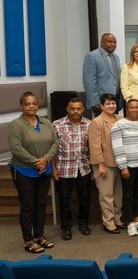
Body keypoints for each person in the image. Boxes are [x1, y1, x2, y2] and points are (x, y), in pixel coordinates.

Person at [8, 92, 58, 253]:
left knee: (41, 204)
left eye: (34, 103)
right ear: (21, 106)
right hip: (24, 171)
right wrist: (36, 162)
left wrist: (45, 160)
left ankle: (39, 236)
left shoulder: (46, 122)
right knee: (28, 206)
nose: (31, 106)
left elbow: (55, 143)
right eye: (27, 104)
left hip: (44, 170)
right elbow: (16, 148)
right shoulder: (16, 125)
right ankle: (28, 240)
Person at [52, 98, 92, 241]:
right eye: (72, 109)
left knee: (85, 199)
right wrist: (53, 168)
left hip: (84, 168)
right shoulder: (56, 125)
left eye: (79, 109)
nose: (76, 111)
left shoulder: (89, 124)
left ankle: (83, 223)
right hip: (64, 168)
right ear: (67, 109)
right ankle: (66, 227)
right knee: (64, 200)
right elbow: (52, 149)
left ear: (83, 109)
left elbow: (92, 148)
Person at [111, 99, 138, 236]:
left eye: (136, 107)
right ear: (126, 109)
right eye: (131, 107)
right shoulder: (119, 125)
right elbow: (117, 147)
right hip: (129, 165)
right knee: (128, 195)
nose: (134, 109)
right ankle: (129, 222)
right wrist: (123, 167)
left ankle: (137, 218)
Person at [88, 93, 123, 234]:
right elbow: (95, 146)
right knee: (106, 195)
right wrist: (100, 165)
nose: (111, 106)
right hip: (104, 164)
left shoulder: (120, 119)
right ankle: (108, 223)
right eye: (107, 103)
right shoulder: (97, 122)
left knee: (118, 195)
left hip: (119, 163)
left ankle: (118, 219)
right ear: (101, 106)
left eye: (113, 103)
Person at [83, 33, 122, 115]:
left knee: (114, 127)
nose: (113, 44)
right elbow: (89, 82)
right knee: (101, 127)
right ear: (102, 43)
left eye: (115, 42)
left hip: (115, 101)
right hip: (101, 103)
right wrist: (95, 103)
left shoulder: (116, 57)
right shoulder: (92, 56)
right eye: (109, 42)